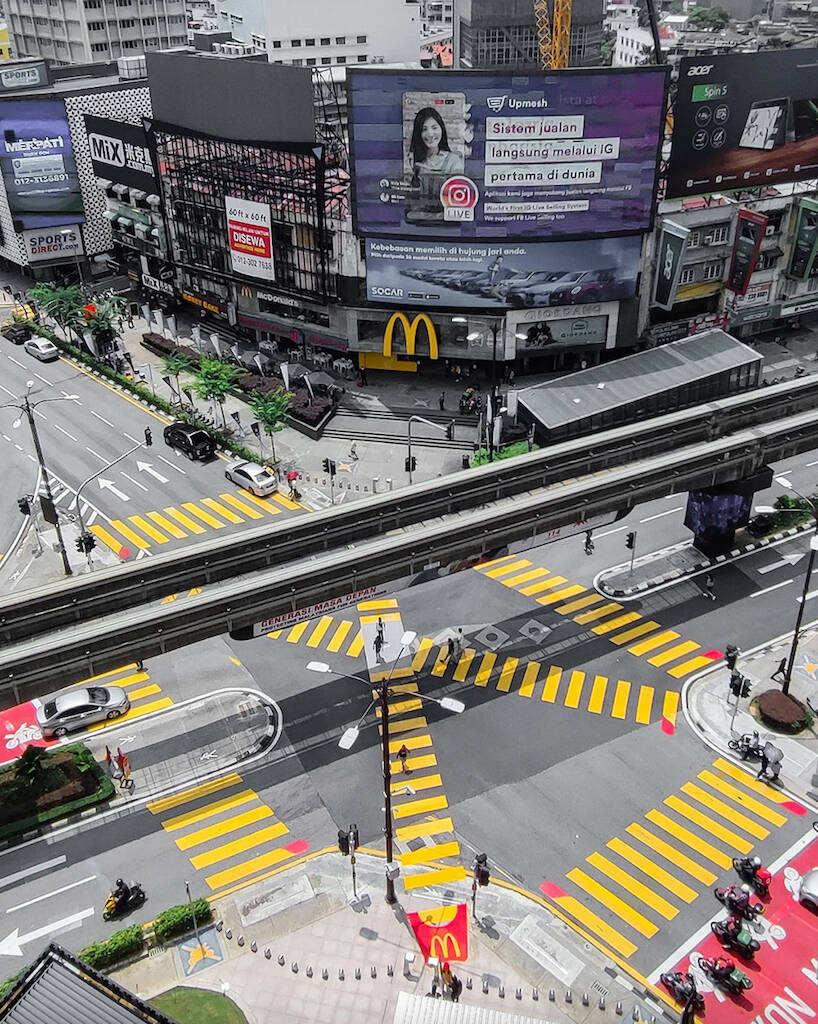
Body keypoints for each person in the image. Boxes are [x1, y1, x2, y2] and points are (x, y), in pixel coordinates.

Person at [408, 107, 463, 178]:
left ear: (442, 128)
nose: (430, 134)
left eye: (434, 128)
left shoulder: (453, 160)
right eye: (424, 129)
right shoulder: (411, 160)